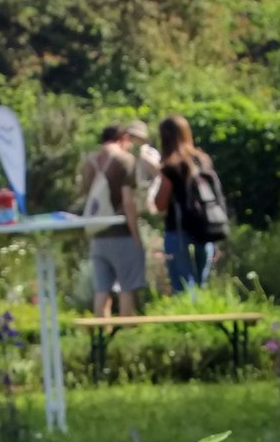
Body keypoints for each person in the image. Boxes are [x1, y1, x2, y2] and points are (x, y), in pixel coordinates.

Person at [78, 124, 147, 316]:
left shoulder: (89, 162)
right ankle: (126, 336)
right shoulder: (125, 160)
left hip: (97, 234)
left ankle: (102, 335)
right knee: (127, 288)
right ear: (123, 137)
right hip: (121, 232)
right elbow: (128, 202)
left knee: (102, 290)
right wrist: (136, 236)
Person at [152, 114, 218, 292]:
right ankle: (203, 314)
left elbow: (160, 204)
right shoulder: (203, 160)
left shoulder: (170, 166)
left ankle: (188, 314)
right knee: (201, 282)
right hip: (205, 226)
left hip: (178, 228)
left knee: (182, 282)